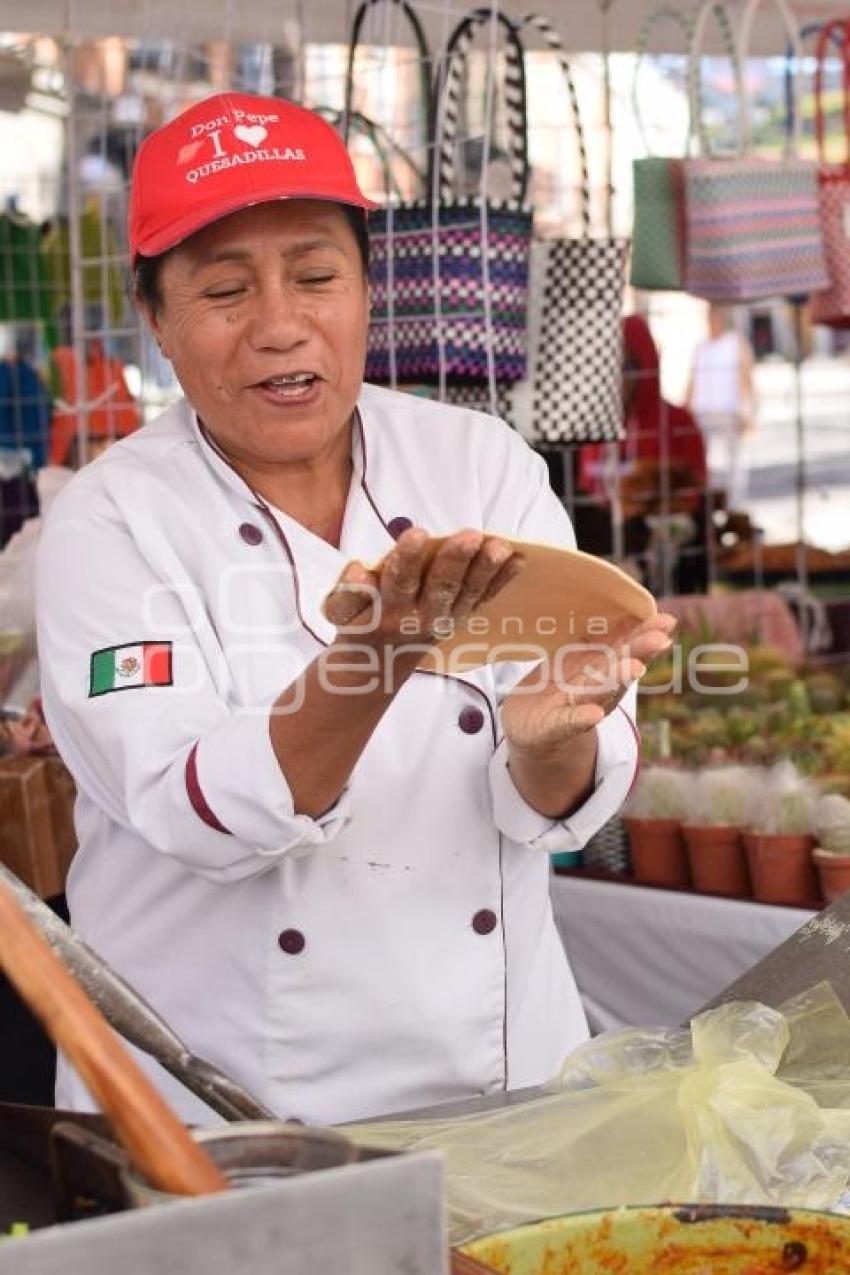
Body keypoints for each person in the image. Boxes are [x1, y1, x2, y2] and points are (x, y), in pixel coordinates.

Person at [36, 93, 673, 1126]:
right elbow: (196, 810)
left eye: (317, 276)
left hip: (507, 1094)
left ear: (371, 290)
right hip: (234, 1114)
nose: (280, 326)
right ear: (153, 319)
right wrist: (375, 658)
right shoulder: (110, 526)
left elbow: (559, 777)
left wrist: (554, 744)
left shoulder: (479, 464)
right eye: (225, 291)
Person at [577, 315, 708, 594]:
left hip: (667, 571)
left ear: (645, 365)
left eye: (625, 366)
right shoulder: (587, 429)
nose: (614, 377)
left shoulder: (675, 423)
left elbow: (694, 495)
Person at [686, 303, 756, 510]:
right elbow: (692, 381)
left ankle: (733, 505)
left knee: (734, 464)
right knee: (704, 463)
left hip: (729, 412)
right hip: (703, 412)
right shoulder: (701, 347)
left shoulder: (735, 343)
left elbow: (746, 379)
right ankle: (705, 504)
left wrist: (748, 410)